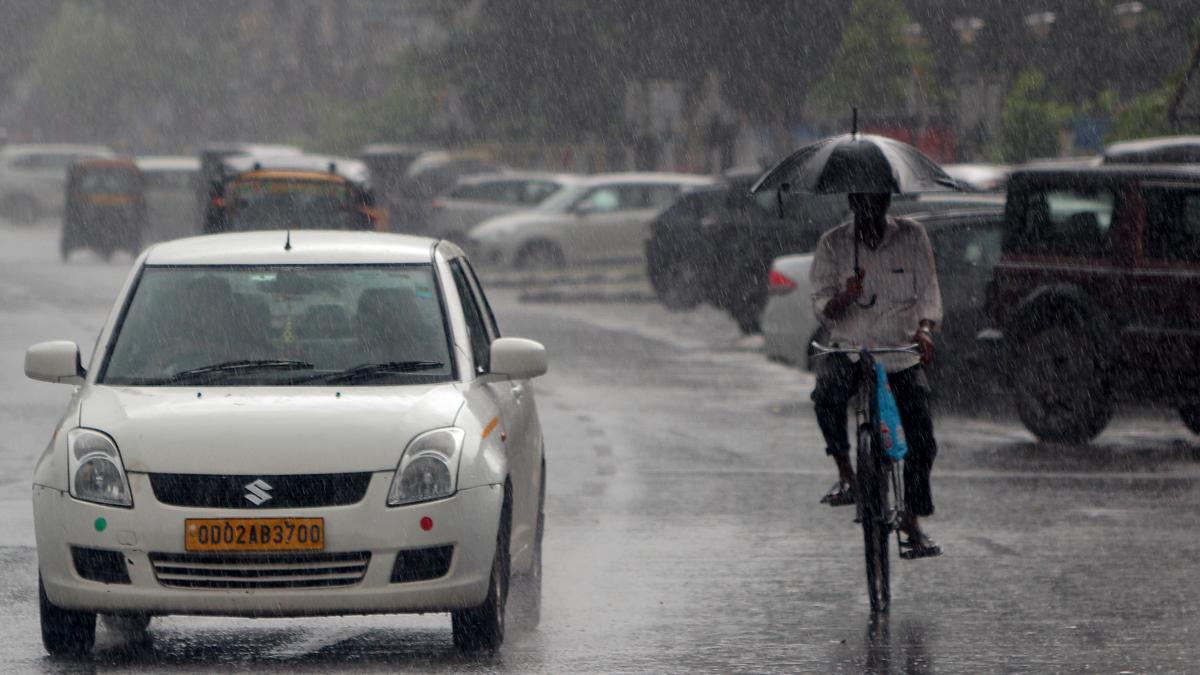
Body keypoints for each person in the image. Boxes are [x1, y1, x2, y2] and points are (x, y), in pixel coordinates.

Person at [809, 192, 943, 559]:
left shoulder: (913, 236)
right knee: (825, 397)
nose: (871, 212)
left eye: (878, 202)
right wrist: (845, 297)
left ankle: (911, 520)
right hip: (850, 348)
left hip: (899, 351)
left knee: (922, 438)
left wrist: (925, 329)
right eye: (863, 203)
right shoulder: (833, 243)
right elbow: (823, 307)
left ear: (887, 201)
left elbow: (929, 292)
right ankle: (847, 475)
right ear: (852, 203)